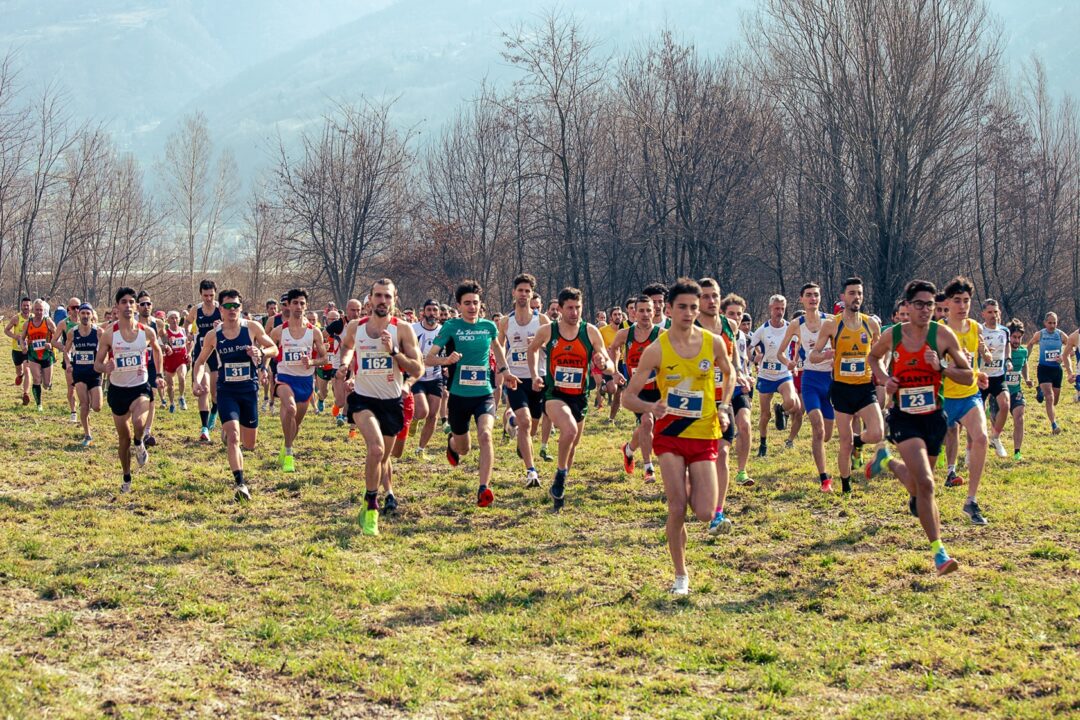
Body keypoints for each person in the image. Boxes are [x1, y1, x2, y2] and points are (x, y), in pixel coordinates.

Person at [622, 278, 734, 595]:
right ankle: (680, 575)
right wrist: (651, 406)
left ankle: (687, 484)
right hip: (670, 435)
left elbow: (731, 372)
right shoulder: (657, 350)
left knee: (704, 512)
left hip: (704, 434)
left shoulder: (713, 342)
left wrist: (724, 407)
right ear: (668, 309)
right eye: (682, 307)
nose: (688, 313)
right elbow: (627, 398)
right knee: (677, 508)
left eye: (693, 308)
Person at [868, 279, 969, 576]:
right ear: (907, 307)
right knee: (926, 484)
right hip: (904, 416)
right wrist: (885, 378)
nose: (925, 310)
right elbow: (873, 357)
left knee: (916, 486)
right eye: (919, 304)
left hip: (934, 417)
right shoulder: (893, 335)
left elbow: (967, 376)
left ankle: (886, 460)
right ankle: (939, 553)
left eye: (930, 305)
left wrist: (941, 367)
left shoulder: (943, 335)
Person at [338, 278, 424, 535]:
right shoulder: (356, 326)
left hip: (392, 401)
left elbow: (418, 368)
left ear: (394, 300)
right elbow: (346, 347)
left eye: (387, 296)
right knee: (375, 450)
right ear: (370, 299)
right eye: (378, 296)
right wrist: (344, 364)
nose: (382, 301)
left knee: (384, 458)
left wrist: (394, 352)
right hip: (363, 399)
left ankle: (373, 496)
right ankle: (372, 506)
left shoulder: (403, 329)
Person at [425, 280, 517, 507]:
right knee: (464, 448)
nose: (472, 307)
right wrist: (446, 360)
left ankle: (483, 487)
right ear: (459, 305)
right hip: (458, 396)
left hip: (484, 394)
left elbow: (497, 348)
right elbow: (428, 358)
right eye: (467, 303)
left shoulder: (488, 327)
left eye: (475, 303)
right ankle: (454, 444)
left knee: (485, 435)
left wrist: (506, 372)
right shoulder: (451, 327)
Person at [527, 287, 613, 510]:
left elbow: (607, 360)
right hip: (555, 394)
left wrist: (604, 363)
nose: (575, 312)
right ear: (561, 309)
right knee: (570, 430)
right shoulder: (549, 331)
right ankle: (560, 476)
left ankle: (560, 481)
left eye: (578, 308)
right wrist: (536, 375)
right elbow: (533, 349)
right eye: (570, 308)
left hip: (580, 396)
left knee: (573, 443)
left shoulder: (591, 331)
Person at [192, 290, 277, 501]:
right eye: (228, 306)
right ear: (221, 310)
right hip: (226, 391)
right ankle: (240, 484)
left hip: (248, 390)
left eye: (236, 306)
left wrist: (261, 353)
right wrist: (197, 380)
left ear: (240, 308)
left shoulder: (252, 328)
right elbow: (200, 362)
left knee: (249, 443)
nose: (232, 310)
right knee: (234, 438)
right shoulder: (214, 335)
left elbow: (273, 348)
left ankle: (229, 431)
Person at [810, 277, 885, 494]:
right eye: (852, 293)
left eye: (859, 293)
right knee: (844, 444)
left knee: (878, 432)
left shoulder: (871, 323)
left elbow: (879, 353)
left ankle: (858, 440)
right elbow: (813, 356)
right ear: (843, 297)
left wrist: (882, 373)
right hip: (842, 389)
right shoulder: (832, 324)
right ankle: (846, 486)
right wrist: (825, 354)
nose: (856, 298)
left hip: (864, 387)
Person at [94, 288, 166, 494]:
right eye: (123, 302)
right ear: (117, 307)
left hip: (140, 387)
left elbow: (157, 349)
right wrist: (104, 367)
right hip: (117, 391)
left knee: (138, 422)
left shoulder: (146, 332)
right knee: (122, 440)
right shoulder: (110, 334)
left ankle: (140, 442)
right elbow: (96, 364)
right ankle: (126, 476)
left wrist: (159, 375)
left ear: (135, 306)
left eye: (131, 302)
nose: (128, 305)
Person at [939, 277, 990, 525]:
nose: (962, 306)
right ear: (948, 303)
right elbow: (932, 366)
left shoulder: (975, 328)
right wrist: (946, 367)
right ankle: (919, 493)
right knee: (927, 451)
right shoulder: (938, 330)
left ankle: (971, 500)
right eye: (957, 301)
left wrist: (979, 376)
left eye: (966, 301)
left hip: (969, 396)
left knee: (981, 438)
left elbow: (973, 365)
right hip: (942, 398)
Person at [696, 278, 740, 534]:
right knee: (701, 458)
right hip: (696, 403)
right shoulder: (690, 327)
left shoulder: (729, 325)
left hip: (723, 400)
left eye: (715, 296)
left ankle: (718, 513)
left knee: (723, 453)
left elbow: (731, 361)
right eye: (706, 296)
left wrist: (740, 373)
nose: (711, 301)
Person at [781, 283, 835, 491]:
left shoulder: (830, 321)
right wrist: (789, 364)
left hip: (829, 381)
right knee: (818, 428)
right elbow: (780, 352)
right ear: (801, 299)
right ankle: (824, 479)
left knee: (827, 435)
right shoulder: (796, 324)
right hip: (810, 379)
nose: (813, 298)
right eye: (809, 295)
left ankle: (820, 454)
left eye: (816, 295)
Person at [497, 274, 550, 488]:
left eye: (528, 291)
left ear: (532, 294)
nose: (524, 294)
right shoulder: (505, 322)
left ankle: (514, 427)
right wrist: (502, 374)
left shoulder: (542, 320)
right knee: (526, 422)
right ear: (513, 293)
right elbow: (499, 348)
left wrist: (538, 344)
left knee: (532, 426)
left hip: (538, 378)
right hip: (516, 379)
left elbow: (552, 347)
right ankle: (531, 472)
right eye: (520, 290)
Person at [269, 288, 328, 473]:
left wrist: (311, 361)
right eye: (295, 303)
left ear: (306, 306)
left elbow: (325, 359)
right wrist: (263, 368)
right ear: (289, 305)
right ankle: (289, 454)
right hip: (285, 378)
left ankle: (286, 444)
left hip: (304, 380)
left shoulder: (314, 332)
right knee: (290, 409)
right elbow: (269, 351)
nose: (299, 306)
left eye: (302, 303)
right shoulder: (279, 331)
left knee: (296, 424)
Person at [609, 296, 661, 482]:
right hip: (638, 390)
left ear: (654, 312)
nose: (645, 314)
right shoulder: (625, 334)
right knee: (647, 423)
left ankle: (629, 449)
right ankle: (649, 468)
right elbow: (613, 348)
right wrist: (614, 371)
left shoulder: (661, 334)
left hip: (659, 389)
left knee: (648, 427)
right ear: (633, 313)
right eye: (641, 310)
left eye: (649, 310)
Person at [750, 294, 801, 457]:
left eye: (782, 309)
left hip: (782, 373)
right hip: (765, 375)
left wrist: (794, 362)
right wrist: (754, 358)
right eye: (777, 308)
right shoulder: (762, 330)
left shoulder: (789, 327)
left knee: (791, 401)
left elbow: (801, 343)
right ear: (770, 309)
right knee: (765, 415)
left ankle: (780, 409)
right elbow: (748, 348)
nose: (780, 312)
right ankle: (763, 444)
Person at [722, 295, 756, 487]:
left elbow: (741, 361)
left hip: (738, 387)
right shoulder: (716, 333)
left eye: (739, 314)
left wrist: (746, 375)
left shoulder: (742, 337)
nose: (735, 318)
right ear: (723, 313)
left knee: (745, 424)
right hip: (718, 390)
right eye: (731, 314)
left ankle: (742, 471)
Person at [186, 280, 222, 442]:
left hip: (215, 355)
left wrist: (221, 325)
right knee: (203, 388)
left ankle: (214, 411)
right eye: (205, 295)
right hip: (201, 354)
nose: (208, 298)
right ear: (201, 294)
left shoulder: (220, 309)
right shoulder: (196, 309)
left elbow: (231, 325)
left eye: (211, 295)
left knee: (215, 394)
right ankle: (204, 428)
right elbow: (187, 321)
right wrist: (188, 332)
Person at [63, 303, 102, 446]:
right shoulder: (72, 332)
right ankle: (87, 435)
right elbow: (66, 351)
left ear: (92, 315)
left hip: (94, 373)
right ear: (79, 314)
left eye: (88, 313)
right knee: (84, 405)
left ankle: (89, 409)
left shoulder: (98, 332)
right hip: (79, 372)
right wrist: (68, 364)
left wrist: (102, 363)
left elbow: (105, 350)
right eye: (83, 313)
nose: (85, 316)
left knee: (97, 407)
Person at [1026, 312, 1069, 434]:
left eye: (1054, 322)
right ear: (1045, 323)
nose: (1052, 325)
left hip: (1057, 370)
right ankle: (1054, 425)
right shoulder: (1040, 334)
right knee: (1049, 398)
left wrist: (1063, 356)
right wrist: (1026, 359)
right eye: (1050, 323)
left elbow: (1072, 347)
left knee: (1054, 401)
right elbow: (1030, 344)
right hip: (1044, 368)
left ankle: (1040, 389)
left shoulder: (1060, 335)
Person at [979, 299, 1011, 458]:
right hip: (981, 377)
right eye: (990, 312)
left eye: (996, 312)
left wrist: (1009, 359)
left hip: (998, 376)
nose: (993, 315)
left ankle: (996, 438)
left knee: (1005, 404)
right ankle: (970, 449)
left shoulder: (1005, 331)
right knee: (979, 413)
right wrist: (984, 352)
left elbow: (1007, 346)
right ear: (983, 314)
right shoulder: (979, 330)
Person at [19, 299, 57, 412]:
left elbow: (57, 335)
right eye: (37, 310)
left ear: (44, 310)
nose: (39, 312)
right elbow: (21, 337)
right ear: (33, 310)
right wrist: (23, 346)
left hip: (46, 355)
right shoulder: (28, 323)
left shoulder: (48, 321)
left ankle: (48, 381)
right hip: (33, 355)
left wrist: (51, 344)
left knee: (46, 384)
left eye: (41, 310)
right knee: (36, 379)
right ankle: (39, 404)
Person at [53, 297, 82, 422]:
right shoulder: (63, 323)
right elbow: (54, 341)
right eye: (73, 307)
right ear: (68, 309)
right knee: (71, 387)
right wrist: (64, 347)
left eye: (78, 307)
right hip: (69, 358)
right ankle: (73, 411)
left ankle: (84, 406)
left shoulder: (87, 321)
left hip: (84, 358)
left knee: (84, 385)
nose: (76, 310)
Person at [162, 311, 190, 412]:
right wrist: (166, 345)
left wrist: (189, 353)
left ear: (179, 319)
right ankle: (172, 403)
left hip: (181, 360)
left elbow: (189, 343)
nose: (174, 320)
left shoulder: (182, 330)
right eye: (172, 318)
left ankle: (181, 397)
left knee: (182, 377)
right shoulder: (165, 333)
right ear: (168, 320)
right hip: (169, 361)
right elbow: (160, 347)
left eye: (176, 318)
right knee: (170, 386)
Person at [5, 297, 32, 405]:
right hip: (16, 349)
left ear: (31, 307)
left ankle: (25, 394)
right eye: (24, 305)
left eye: (28, 305)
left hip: (28, 350)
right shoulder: (16, 318)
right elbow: (6, 330)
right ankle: (19, 376)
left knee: (27, 370)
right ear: (21, 306)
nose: (26, 307)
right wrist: (15, 336)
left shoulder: (34, 318)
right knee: (19, 371)